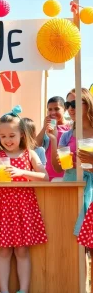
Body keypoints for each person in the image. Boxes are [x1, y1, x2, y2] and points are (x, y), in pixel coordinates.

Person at [0, 106, 48, 293]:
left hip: (24, 206)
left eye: (12, 135)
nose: (7, 140)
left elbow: (45, 177)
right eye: (3, 136)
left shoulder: (30, 154)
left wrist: (22, 172)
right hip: (1, 206)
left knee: (22, 250)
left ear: (21, 135)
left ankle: (23, 290)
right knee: (3, 251)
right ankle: (4, 291)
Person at [47, 88, 93, 237]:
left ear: (88, 103)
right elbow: (58, 168)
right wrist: (53, 140)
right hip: (72, 186)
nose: (71, 108)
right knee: (75, 241)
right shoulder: (67, 135)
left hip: (90, 187)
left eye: (75, 103)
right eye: (68, 104)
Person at [36, 96, 70, 180]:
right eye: (50, 109)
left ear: (65, 109)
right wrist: (44, 128)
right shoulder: (48, 129)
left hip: (66, 174)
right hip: (48, 174)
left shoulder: (71, 128)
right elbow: (36, 144)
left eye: (57, 109)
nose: (53, 112)